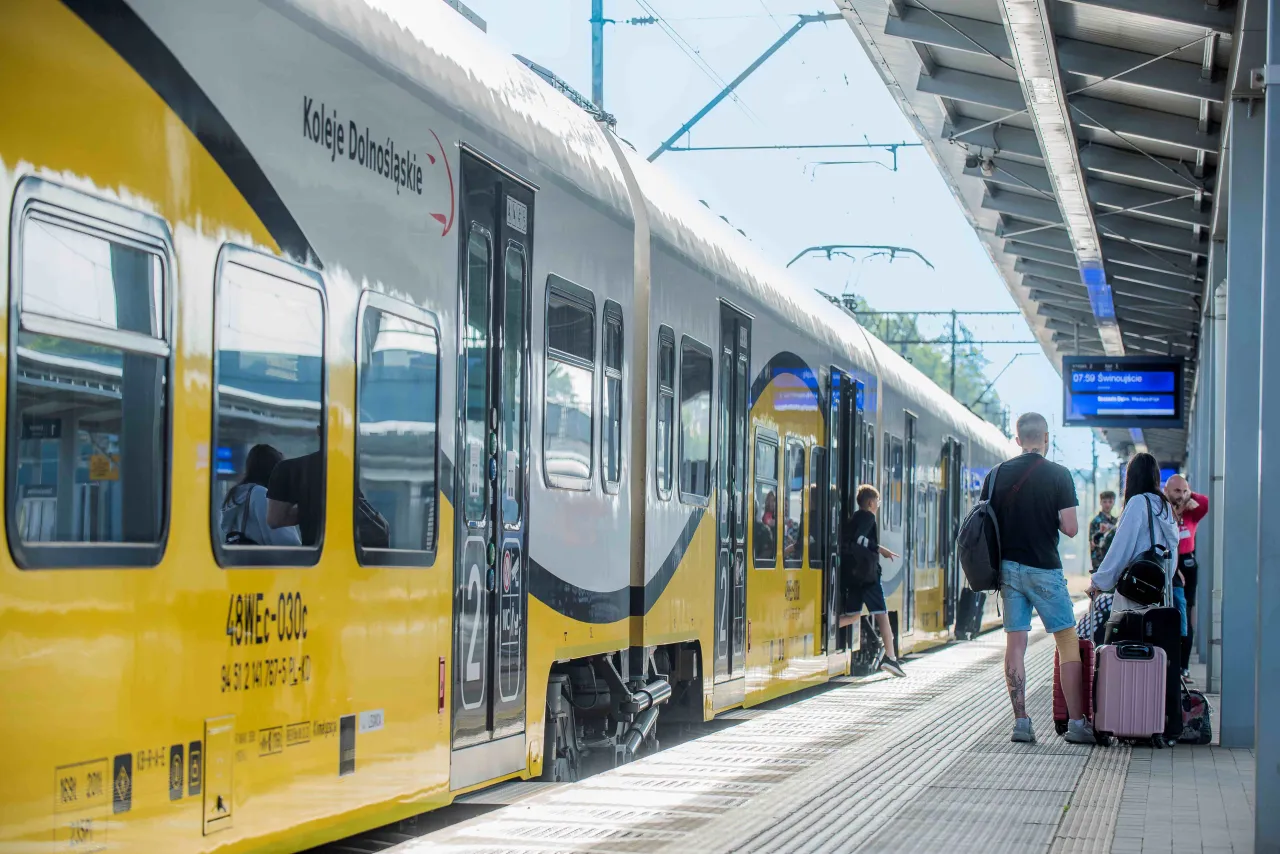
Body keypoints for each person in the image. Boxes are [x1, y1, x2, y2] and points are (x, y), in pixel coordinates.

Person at [981, 412, 1091, 744]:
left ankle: (1021, 722)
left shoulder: (996, 474)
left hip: (1009, 571)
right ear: (1046, 438)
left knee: (1016, 645)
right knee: (1067, 641)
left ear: (1017, 440)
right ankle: (1076, 724)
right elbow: (1070, 528)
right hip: (1044, 567)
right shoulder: (1058, 475)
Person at [1088, 453, 1178, 619]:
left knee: (1126, 636)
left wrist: (1099, 582)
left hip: (1135, 587)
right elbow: (1172, 549)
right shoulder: (1165, 506)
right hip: (1158, 589)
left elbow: (1122, 546)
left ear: (1132, 477)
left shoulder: (1138, 502)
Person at [839, 485, 905, 678]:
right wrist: (879, 549)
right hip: (868, 577)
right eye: (877, 502)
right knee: (882, 615)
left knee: (852, 616)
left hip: (855, 575)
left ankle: (825, 627)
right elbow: (860, 539)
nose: (878, 505)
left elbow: (853, 539)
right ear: (870, 502)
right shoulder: (868, 517)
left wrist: (879, 548)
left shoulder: (854, 519)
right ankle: (891, 659)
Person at [1164, 474, 1208, 680]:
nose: (1181, 496)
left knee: (1186, 612)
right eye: (1176, 491)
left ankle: (1184, 665)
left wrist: (1189, 494)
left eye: (1184, 491)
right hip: (1166, 562)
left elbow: (1205, 503)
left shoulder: (1191, 512)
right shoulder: (1163, 509)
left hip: (1186, 562)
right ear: (1167, 491)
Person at [222, 444, 301, 546]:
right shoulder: (261, 494)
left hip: (240, 559)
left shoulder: (235, 495)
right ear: (274, 470)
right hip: (264, 560)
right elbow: (287, 542)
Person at [268, 443, 324, 546]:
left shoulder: (290, 468)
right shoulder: (348, 469)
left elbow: (275, 519)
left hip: (316, 552)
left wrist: (308, 508)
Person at [1088, 491, 1117, 572]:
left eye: (1110, 502)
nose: (1107, 505)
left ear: (1114, 502)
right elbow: (1093, 544)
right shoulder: (1095, 522)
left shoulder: (1116, 522)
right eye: (1105, 502)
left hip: (1114, 562)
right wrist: (1101, 532)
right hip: (1100, 562)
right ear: (1100, 502)